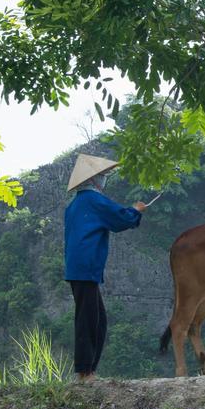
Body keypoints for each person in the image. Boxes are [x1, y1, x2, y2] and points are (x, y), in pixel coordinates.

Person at [63, 154, 146, 380]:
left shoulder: (74, 205)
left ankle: (89, 370)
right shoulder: (93, 200)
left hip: (78, 266)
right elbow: (120, 218)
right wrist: (136, 210)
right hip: (86, 266)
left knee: (97, 319)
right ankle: (84, 372)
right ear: (95, 180)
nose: (104, 180)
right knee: (88, 319)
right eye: (102, 176)